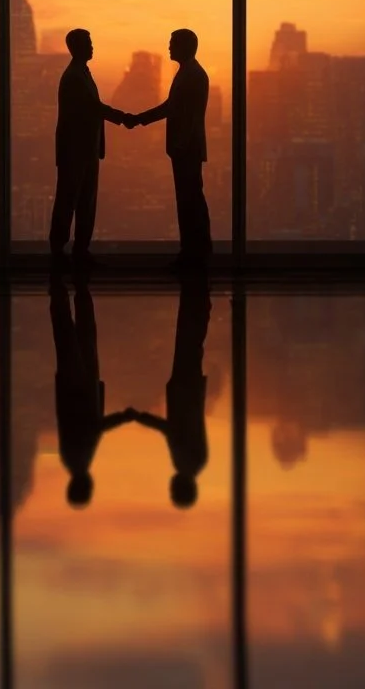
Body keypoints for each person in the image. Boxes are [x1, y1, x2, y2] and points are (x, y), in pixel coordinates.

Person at [125, 29, 212, 264]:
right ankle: (194, 251)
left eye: (173, 43)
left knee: (189, 201)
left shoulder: (191, 75)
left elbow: (175, 110)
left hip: (186, 148)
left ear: (185, 46)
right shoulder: (189, 73)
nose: (169, 47)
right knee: (190, 200)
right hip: (186, 147)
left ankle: (194, 253)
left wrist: (138, 119)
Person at [50, 273, 134, 507]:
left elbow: (95, 427)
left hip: (79, 389)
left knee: (75, 338)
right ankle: (71, 289)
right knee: (76, 337)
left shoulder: (79, 459)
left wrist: (124, 417)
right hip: (76, 389)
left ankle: (68, 289)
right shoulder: (73, 460)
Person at [132, 273, 212, 508]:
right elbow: (172, 430)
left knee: (192, 346)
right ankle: (197, 301)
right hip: (184, 395)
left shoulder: (197, 463)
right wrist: (142, 418)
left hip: (191, 394)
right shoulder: (185, 462)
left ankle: (199, 302)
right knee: (188, 344)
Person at [49, 28, 129, 264]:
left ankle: (79, 249)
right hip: (76, 151)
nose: (92, 46)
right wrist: (123, 117)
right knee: (70, 200)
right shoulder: (75, 76)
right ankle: (60, 249)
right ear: (76, 47)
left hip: (86, 149)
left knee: (84, 201)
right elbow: (93, 107)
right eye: (88, 42)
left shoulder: (81, 73)